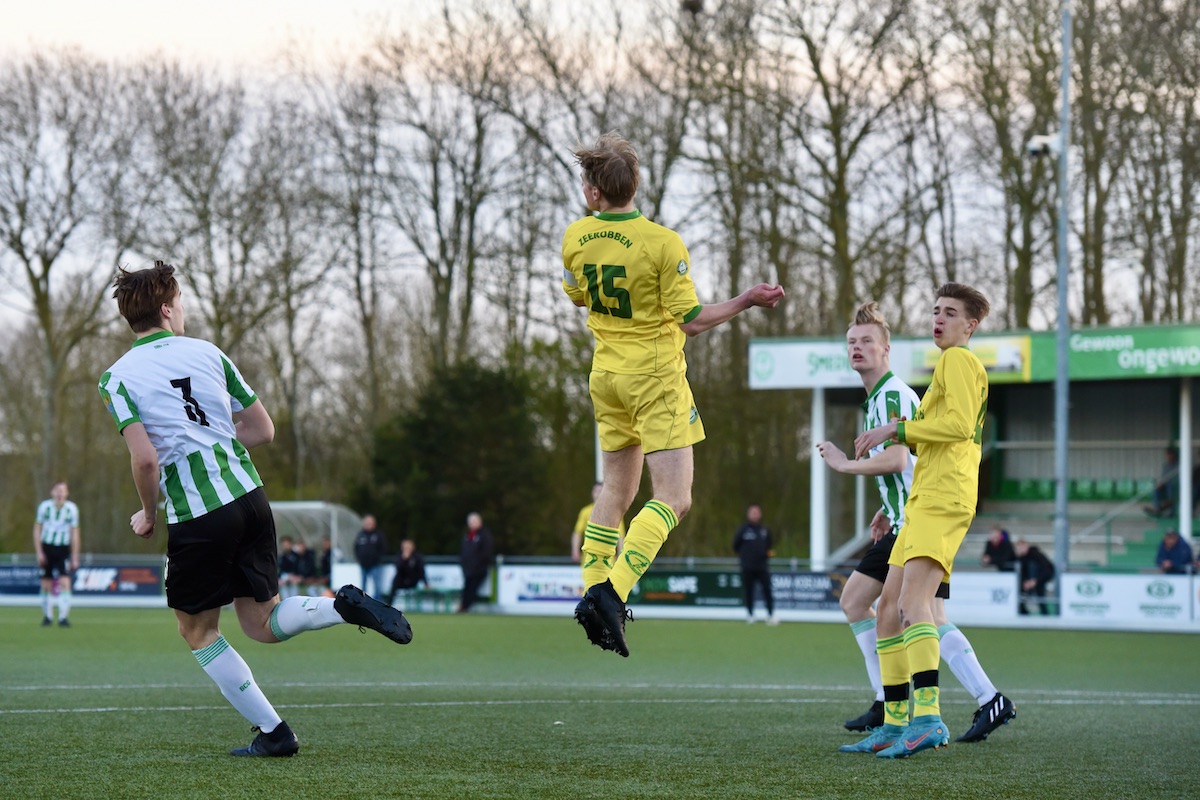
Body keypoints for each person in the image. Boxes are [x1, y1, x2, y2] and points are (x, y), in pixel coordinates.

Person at [97, 260, 411, 758]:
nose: (183, 310)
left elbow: (146, 460)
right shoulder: (209, 353)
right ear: (166, 309)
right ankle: (339, 607)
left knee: (198, 630)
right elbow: (263, 430)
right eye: (180, 302)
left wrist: (149, 515)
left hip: (200, 513)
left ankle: (275, 733)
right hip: (251, 498)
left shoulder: (116, 378)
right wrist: (217, 444)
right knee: (262, 622)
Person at [563, 131, 785, 658]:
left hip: (607, 376)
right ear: (635, 186)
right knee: (675, 497)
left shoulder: (576, 236)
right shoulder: (662, 243)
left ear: (594, 192)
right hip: (655, 379)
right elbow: (692, 320)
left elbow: (577, 296)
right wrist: (746, 299)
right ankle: (612, 592)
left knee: (615, 492)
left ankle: (591, 590)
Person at [817, 300, 1014, 748]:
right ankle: (910, 713)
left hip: (933, 505)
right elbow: (918, 454)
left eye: (866, 340)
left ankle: (920, 715)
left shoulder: (935, 373)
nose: (938, 319)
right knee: (900, 611)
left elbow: (932, 440)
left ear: (886, 349)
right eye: (851, 342)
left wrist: (864, 453)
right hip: (916, 505)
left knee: (904, 608)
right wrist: (891, 502)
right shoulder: (928, 377)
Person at [33, 480, 81, 627]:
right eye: (57, 490)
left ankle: (63, 617)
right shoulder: (44, 507)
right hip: (47, 547)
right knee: (45, 583)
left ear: (67, 493)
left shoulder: (72, 509)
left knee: (65, 582)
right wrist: (39, 552)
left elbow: (75, 533)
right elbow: (37, 529)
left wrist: (75, 556)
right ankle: (47, 616)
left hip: (63, 548)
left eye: (63, 490)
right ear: (52, 492)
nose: (60, 493)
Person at [732, 503, 776, 624]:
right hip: (747, 567)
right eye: (753, 513)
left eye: (757, 513)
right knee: (749, 591)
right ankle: (750, 615)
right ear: (748, 514)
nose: (755, 515)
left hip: (762, 567)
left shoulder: (764, 530)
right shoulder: (743, 530)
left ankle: (770, 615)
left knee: (767, 590)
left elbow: (769, 546)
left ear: (760, 514)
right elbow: (735, 546)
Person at [571, 481, 625, 567]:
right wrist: (575, 550)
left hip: (608, 560)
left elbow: (620, 536)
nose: (598, 494)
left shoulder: (614, 512)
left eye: (601, 491)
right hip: (589, 559)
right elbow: (577, 533)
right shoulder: (585, 512)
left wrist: (620, 554)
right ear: (592, 493)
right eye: (596, 491)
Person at [459, 512, 494, 612]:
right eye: (470, 522)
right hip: (468, 569)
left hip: (479, 569)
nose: (471, 524)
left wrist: (479, 565)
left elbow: (486, 552)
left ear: (479, 522)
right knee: (467, 588)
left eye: (474, 521)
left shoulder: (484, 535)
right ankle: (463, 607)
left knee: (472, 589)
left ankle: (465, 607)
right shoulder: (467, 535)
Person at [1015, 538, 1057, 614]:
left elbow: (1047, 569)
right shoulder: (1020, 559)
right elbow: (1021, 573)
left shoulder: (1037, 555)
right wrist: (1025, 582)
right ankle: (1024, 614)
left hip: (1040, 579)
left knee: (1040, 597)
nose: (1021, 550)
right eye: (1019, 548)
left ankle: (1045, 615)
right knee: (1020, 597)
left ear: (1026, 546)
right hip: (1028, 582)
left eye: (1022, 547)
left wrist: (1036, 581)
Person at [387, 538, 429, 608]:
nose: (406, 549)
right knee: (395, 582)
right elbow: (398, 568)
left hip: (413, 580)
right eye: (404, 547)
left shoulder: (417, 557)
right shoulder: (399, 555)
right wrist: (404, 559)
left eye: (408, 547)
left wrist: (426, 583)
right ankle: (388, 605)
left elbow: (421, 571)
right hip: (402, 580)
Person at [353, 514, 387, 600]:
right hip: (363, 564)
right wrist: (360, 559)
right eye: (367, 523)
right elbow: (356, 547)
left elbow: (383, 548)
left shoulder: (378, 535)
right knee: (363, 586)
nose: (368, 525)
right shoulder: (361, 535)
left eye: (370, 523)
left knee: (377, 586)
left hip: (375, 564)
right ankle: (363, 603)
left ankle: (378, 604)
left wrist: (378, 558)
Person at [1144, 446, 1179, 518]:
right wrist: (1160, 483)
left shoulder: (1178, 465)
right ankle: (1157, 508)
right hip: (1165, 484)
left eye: (1170, 454)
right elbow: (1163, 477)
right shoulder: (1166, 466)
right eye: (1168, 455)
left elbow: (1175, 477)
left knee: (1170, 485)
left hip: (1175, 485)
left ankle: (1170, 507)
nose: (1169, 457)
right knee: (1156, 489)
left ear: (1174, 455)